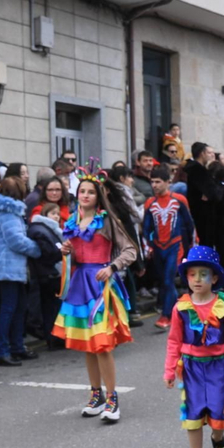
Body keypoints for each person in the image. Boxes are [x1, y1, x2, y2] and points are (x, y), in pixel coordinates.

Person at [55, 172, 136, 422]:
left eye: (90, 192)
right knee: (87, 346)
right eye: (82, 191)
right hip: (79, 286)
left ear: (98, 195)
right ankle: (96, 395)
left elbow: (130, 249)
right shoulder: (71, 222)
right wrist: (68, 251)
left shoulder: (107, 221)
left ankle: (113, 399)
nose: (86, 195)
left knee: (102, 345)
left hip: (102, 289)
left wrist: (112, 267)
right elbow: (76, 258)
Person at [163, 246, 224, 448]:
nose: (197, 279)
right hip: (191, 368)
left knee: (220, 411)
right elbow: (174, 341)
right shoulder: (181, 308)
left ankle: (218, 441)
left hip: (218, 366)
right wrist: (169, 369)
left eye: (203, 274)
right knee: (193, 412)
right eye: (192, 274)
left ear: (214, 277)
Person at [0, 176, 40, 367]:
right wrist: (37, 248)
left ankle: (16, 347)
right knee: (8, 309)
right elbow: (16, 240)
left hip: (8, 266)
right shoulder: (8, 213)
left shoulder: (3, 211)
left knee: (17, 308)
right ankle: (3, 350)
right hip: (8, 267)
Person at [141, 165, 195, 329]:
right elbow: (147, 228)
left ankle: (166, 316)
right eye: (152, 182)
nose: (154, 185)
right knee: (163, 282)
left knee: (168, 279)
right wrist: (148, 246)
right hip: (158, 247)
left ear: (167, 182)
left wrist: (192, 243)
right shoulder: (150, 203)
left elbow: (189, 223)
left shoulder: (179, 200)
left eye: (158, 182)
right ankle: (178, 310)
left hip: (175, 245)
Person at [28, 199, 66, 349]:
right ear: (45, 214)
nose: (56, 216)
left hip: (55, 272)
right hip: (49, 274)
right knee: (52, 307)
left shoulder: (52, 230)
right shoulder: (43, 230)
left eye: (58, 214)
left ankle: (57, 336)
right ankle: (54, 337)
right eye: (53, 213)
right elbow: (50, 252)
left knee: (54, 306)